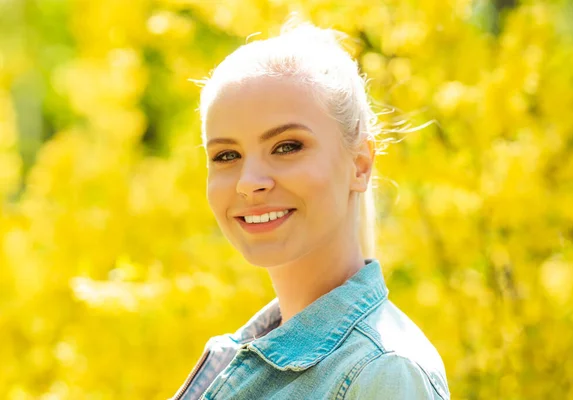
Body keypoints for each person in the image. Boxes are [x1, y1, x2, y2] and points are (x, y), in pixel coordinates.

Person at [171, 20, 450, 400]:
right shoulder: (237, 355)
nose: (249, 181)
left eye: (287, 146)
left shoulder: (382, 372)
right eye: (227, 155)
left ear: (360, 164)